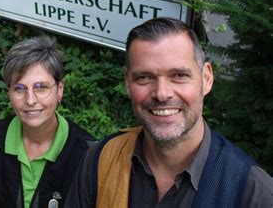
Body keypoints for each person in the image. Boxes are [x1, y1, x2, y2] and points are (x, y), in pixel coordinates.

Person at [65, 17, 273, 207]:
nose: (162, 94)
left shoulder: (251, 193)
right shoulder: (101, 159)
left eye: (179, 75)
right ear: (127, 83)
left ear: (207, 79)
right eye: (144, 77)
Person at [0, 37, 95, 207]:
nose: (30, 100)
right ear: (8, 92)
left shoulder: (88, 152)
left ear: (60, 89)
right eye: (19, 88)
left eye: (41, 87)